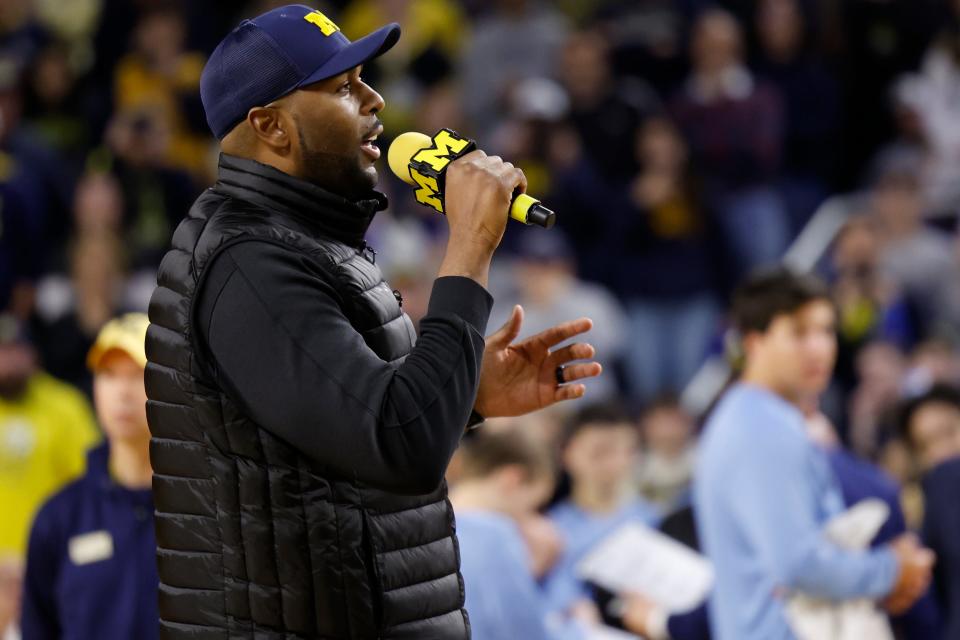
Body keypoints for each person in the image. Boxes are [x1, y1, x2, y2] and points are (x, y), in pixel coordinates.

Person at [144, 6, 601, 640]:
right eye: (341, 87)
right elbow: (400, 446)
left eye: (363, 78)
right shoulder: (247, 264)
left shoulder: (303, 241)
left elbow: (350, 430)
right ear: (270, 126)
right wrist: (468, 244)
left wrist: (462, 393)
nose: (374, 98)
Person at [693, 268, 935, 639]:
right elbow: (799, 566)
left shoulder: (752, 416)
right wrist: (891, 570)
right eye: (799, 332)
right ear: (754, 342)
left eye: (825, 331)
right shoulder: (761, 426)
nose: (819, 347)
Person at [20, 313, 157, 639]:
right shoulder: (58, 517)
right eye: (108, 374)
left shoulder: (203, 509)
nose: (123, 392)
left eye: (138, 374)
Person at [544, 402, 659, 616]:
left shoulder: (654, 520)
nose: (616, 464)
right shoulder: (550, 533)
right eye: (600, 453)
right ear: (566, 453)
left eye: (628, 451)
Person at [0, 315, 100, 558]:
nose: (7, 362)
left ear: (33, 354)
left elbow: (90, 482)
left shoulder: (65, 405)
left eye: (15, 349)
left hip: (49, 557)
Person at [450, 429, 563, 640]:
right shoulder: (497, 535)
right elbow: (525, 632)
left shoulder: (424, 524)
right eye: (533, 506)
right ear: (513, 479)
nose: (532, 521)